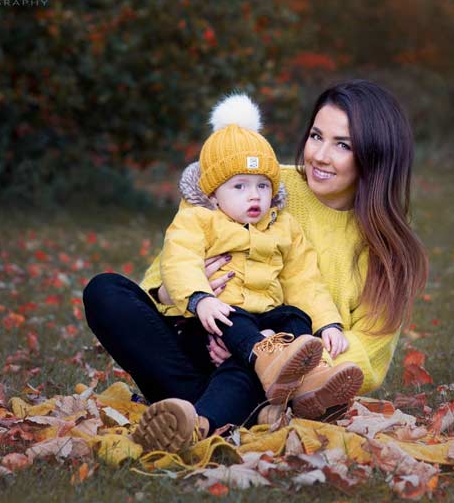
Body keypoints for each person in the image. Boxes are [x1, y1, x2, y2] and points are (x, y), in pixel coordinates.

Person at [83, 79, 427, 454]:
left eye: (342, 145)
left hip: (275, 376)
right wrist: (190, 294)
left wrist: (267, 350)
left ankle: (196, 421)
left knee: (260, 365)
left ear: (376, 156)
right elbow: (165, 270)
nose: (320, 156)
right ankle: (222, 414)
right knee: (106, 292)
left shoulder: (385, 249)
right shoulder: (260, 180)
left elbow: (366, 358)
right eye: (316, 136)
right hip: (198, 338)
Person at [137, 93, 363, 451]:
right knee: (235, 322)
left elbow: (304, 279)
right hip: (214, 320)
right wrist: (200, 299)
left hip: (263, 327)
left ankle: (298, 384)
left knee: (294, 318)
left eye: (262, 185)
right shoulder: (199, 219)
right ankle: (265, 376)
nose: (254, 196)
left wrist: (328, 324)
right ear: (213, 195)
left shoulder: (283, 226)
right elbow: (178, 259)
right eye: (239, 187)